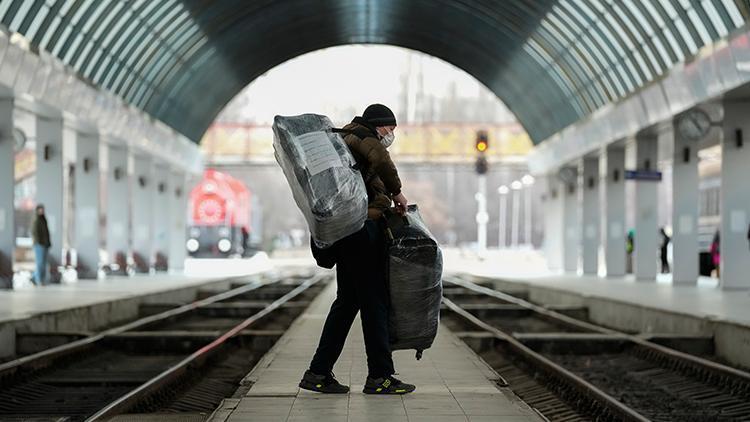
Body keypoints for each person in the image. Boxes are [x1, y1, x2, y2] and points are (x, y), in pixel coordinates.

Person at [299, 104, 415, 395]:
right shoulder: (365, 138)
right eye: (390, 129)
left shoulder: (344, 138)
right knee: (375, 303)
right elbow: (383, 161)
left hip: (347, 232)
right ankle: (380, 377)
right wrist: (396, 192)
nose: (391, 134)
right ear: (379, 125)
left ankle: (318, 372)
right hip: (362, 230)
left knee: (348, 302)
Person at [30, 204, 51, 286]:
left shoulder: (44, 220)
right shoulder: (36, 220)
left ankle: (35, 278)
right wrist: (39, 242)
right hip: (39, 245)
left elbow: (47, 233)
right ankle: (39, 280)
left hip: (45, 244)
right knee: (40, 263)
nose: (42, 211)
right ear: (37, 210)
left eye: (42, 209)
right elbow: (35, 233)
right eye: (40, 209)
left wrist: (48, 243)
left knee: (44, 263)